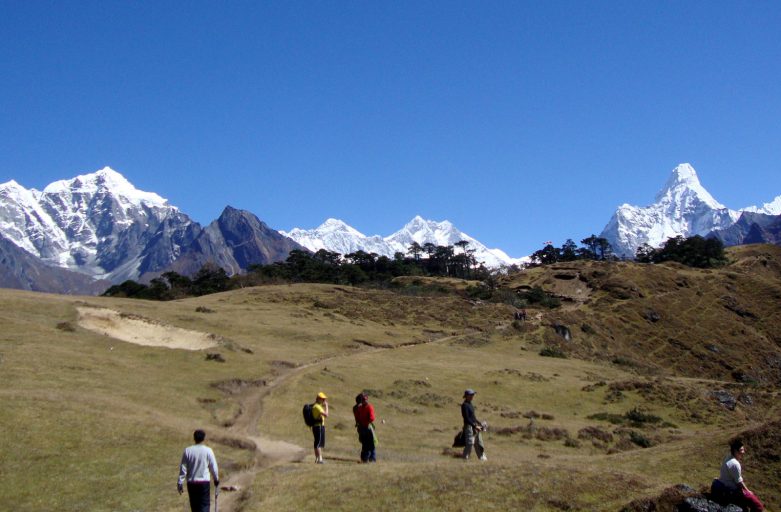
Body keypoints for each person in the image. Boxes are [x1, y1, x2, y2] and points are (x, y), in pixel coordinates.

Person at [711, 438, 764, 511]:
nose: (743, 452)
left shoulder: (728, 457)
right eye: (741, 450)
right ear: (736, 451)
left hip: (724, 484)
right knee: (758, 506)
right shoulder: (735, 464)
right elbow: (739, 482)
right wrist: (748, 491)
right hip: (731, 489)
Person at [177, 429, 220, 512]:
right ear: (204, 438)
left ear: (194, 438)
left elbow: (183, 467)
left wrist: (180, 482)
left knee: (195, 507)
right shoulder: (208, 450)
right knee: (204, 506)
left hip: (191, 483)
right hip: (204, 483)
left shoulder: (188, 451)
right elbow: (213, 466)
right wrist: (216, 479)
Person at [461, 389, 486, 461]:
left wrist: (479, 423)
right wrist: (475, 426)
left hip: (475, 426)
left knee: (479, 443)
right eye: (471, 395)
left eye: (473, 395)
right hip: (469, 427)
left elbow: (473, 417)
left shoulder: (470, 404)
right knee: (470, 443)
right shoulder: (464, 405)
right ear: (466, 396)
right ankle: (465, 459)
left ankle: (483, 459)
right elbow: (467, 418)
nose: (472, 396)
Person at [353, 392, 377, 462]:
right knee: (370, 444)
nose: (364, 401)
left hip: (362, 427)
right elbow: (372, 418)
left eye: (365, 399)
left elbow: (359, 417)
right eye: (363, 400)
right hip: (366, 427)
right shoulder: (367, 407)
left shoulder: (358, 408)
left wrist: (361, 422)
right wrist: (366, 422)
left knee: (366, 444)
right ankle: (369, 459)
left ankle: (366, 459)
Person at [312, 391, 329, 464]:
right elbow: (326, 415)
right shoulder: (317, 407)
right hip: (318, 426)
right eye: (323, 399)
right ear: (318, 399)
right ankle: (320, 459)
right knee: (318, 443)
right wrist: (327, 406)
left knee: (317, 443)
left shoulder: (316, 406)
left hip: (317, 426)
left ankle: (318, 458)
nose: (324, 401)